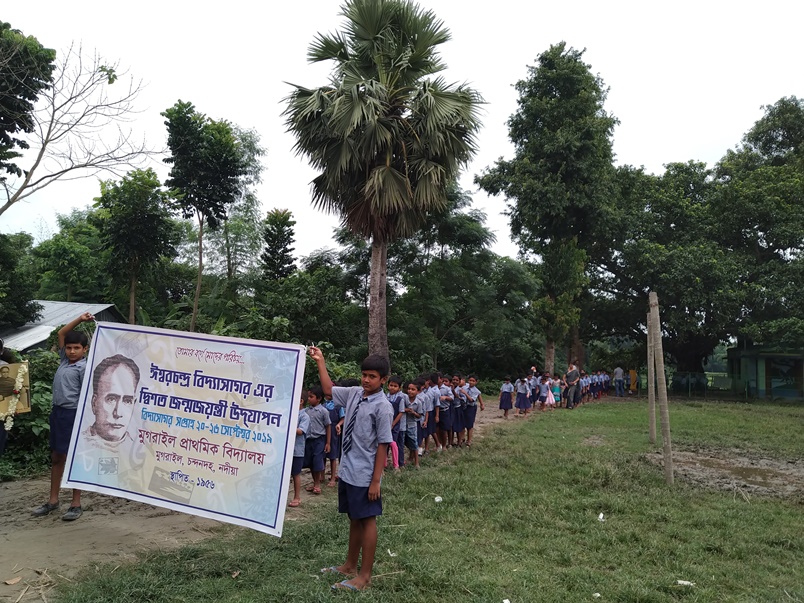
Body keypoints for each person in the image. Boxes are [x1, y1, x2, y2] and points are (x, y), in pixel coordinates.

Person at [309, 346, 393, 592]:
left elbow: (383, 444)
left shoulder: (383, 407)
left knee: (367, 520)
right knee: (354, 518)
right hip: (348, 469)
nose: (366, 380)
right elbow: (328, 390)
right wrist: (321, 361)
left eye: (372, 376)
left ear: (383, 380)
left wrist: (375, 480)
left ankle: (364, 576)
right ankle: (349, 566)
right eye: (364, 375)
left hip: (365, 473)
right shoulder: (355, 393)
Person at [32, 312, 94, 521]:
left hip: (74, 414)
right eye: (69, 348)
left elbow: (87, 395)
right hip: (58, 413)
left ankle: (76, 503)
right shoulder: (64, 361)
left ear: (85, 349)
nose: (72, 351)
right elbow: (61, 333)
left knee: (75, 458)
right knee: (57, 457)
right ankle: (53, 501)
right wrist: (80, 319)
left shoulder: (84, 368)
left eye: (76, 348)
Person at [82, 354, 140, 449]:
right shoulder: (78, 443)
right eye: (111, 399)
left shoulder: (138, 451)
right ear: (94, 403)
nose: (118, 413)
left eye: (127, 401)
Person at [303, 386, 331, 495]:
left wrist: (328, 443)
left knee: (317, 461)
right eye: (308, 397)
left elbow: (328, 426)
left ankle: (318, 484)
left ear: (318, 399)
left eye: (311, 397)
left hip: (319, 440)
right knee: (311, 462)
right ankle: (314, 482)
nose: (309, 399)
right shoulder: (306, 411)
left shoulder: (323, 411)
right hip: (308, 440)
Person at [289, 395, 310, 508]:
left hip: (297, 450)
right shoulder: (289, 412)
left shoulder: (304, 416)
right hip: (287, 450)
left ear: (301, 401)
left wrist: (288, 426)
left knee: (296, 473)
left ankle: (297, 497)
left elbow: (301, 431)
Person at [323, 389, 345, 486]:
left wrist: (339, 425)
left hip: (333, 432)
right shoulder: (323, 405)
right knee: (322, 455)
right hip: (323, 431)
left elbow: (343, 418)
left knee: (332, 456)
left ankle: (332, 478)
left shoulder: (338, 406)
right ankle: (322, 476)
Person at [403, 380, 424, 469]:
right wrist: (406, 410)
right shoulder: (404, 399)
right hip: (403, 424)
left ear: (417, 391)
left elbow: (419, 415)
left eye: (413, 389)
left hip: (412, 425)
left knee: (414, 443)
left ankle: (416, 463)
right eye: (409, 389)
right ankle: (403, 461)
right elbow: (400, 409)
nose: (410, 391)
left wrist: (414, 413)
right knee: (403, 442)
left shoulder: (419, 402)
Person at [386, 376, 406, 468]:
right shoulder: (385, 396)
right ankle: (384, 463)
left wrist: (393, 423)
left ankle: (399, 463)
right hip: (386, 423)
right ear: (388, 386)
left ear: (399, 388)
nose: (392, 388)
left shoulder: (400, 398)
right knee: (384, 443)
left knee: (396, 443)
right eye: (391, 385)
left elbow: (401, 412)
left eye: (395, 386)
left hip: (395, 424)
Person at [464, 375, 484, 446]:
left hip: (471, 407)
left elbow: (472, 400)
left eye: (473, 381)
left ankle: (469, 440)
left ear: (476, 382)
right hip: (464, 407)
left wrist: (465, 393)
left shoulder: (475, 390)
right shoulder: (466, 386)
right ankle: (462, 439)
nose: (471, 382)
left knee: (470, 424)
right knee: (463, 423)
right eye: (470, 380)